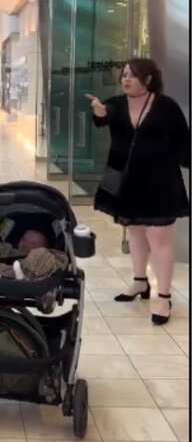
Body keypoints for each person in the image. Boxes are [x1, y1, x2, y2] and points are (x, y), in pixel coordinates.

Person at [88, 59, 190, 325]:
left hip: (159, 181)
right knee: (134, 232)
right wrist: (98, 113)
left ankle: (163, 296)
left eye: (133, 75)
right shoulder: (116, 103)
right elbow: (102, 120)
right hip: (124, 179)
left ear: (148, 79)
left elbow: (183, 140)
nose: (126, 79)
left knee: (159, 239)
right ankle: (139, 282)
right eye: (123, 75)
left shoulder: (166, 106)